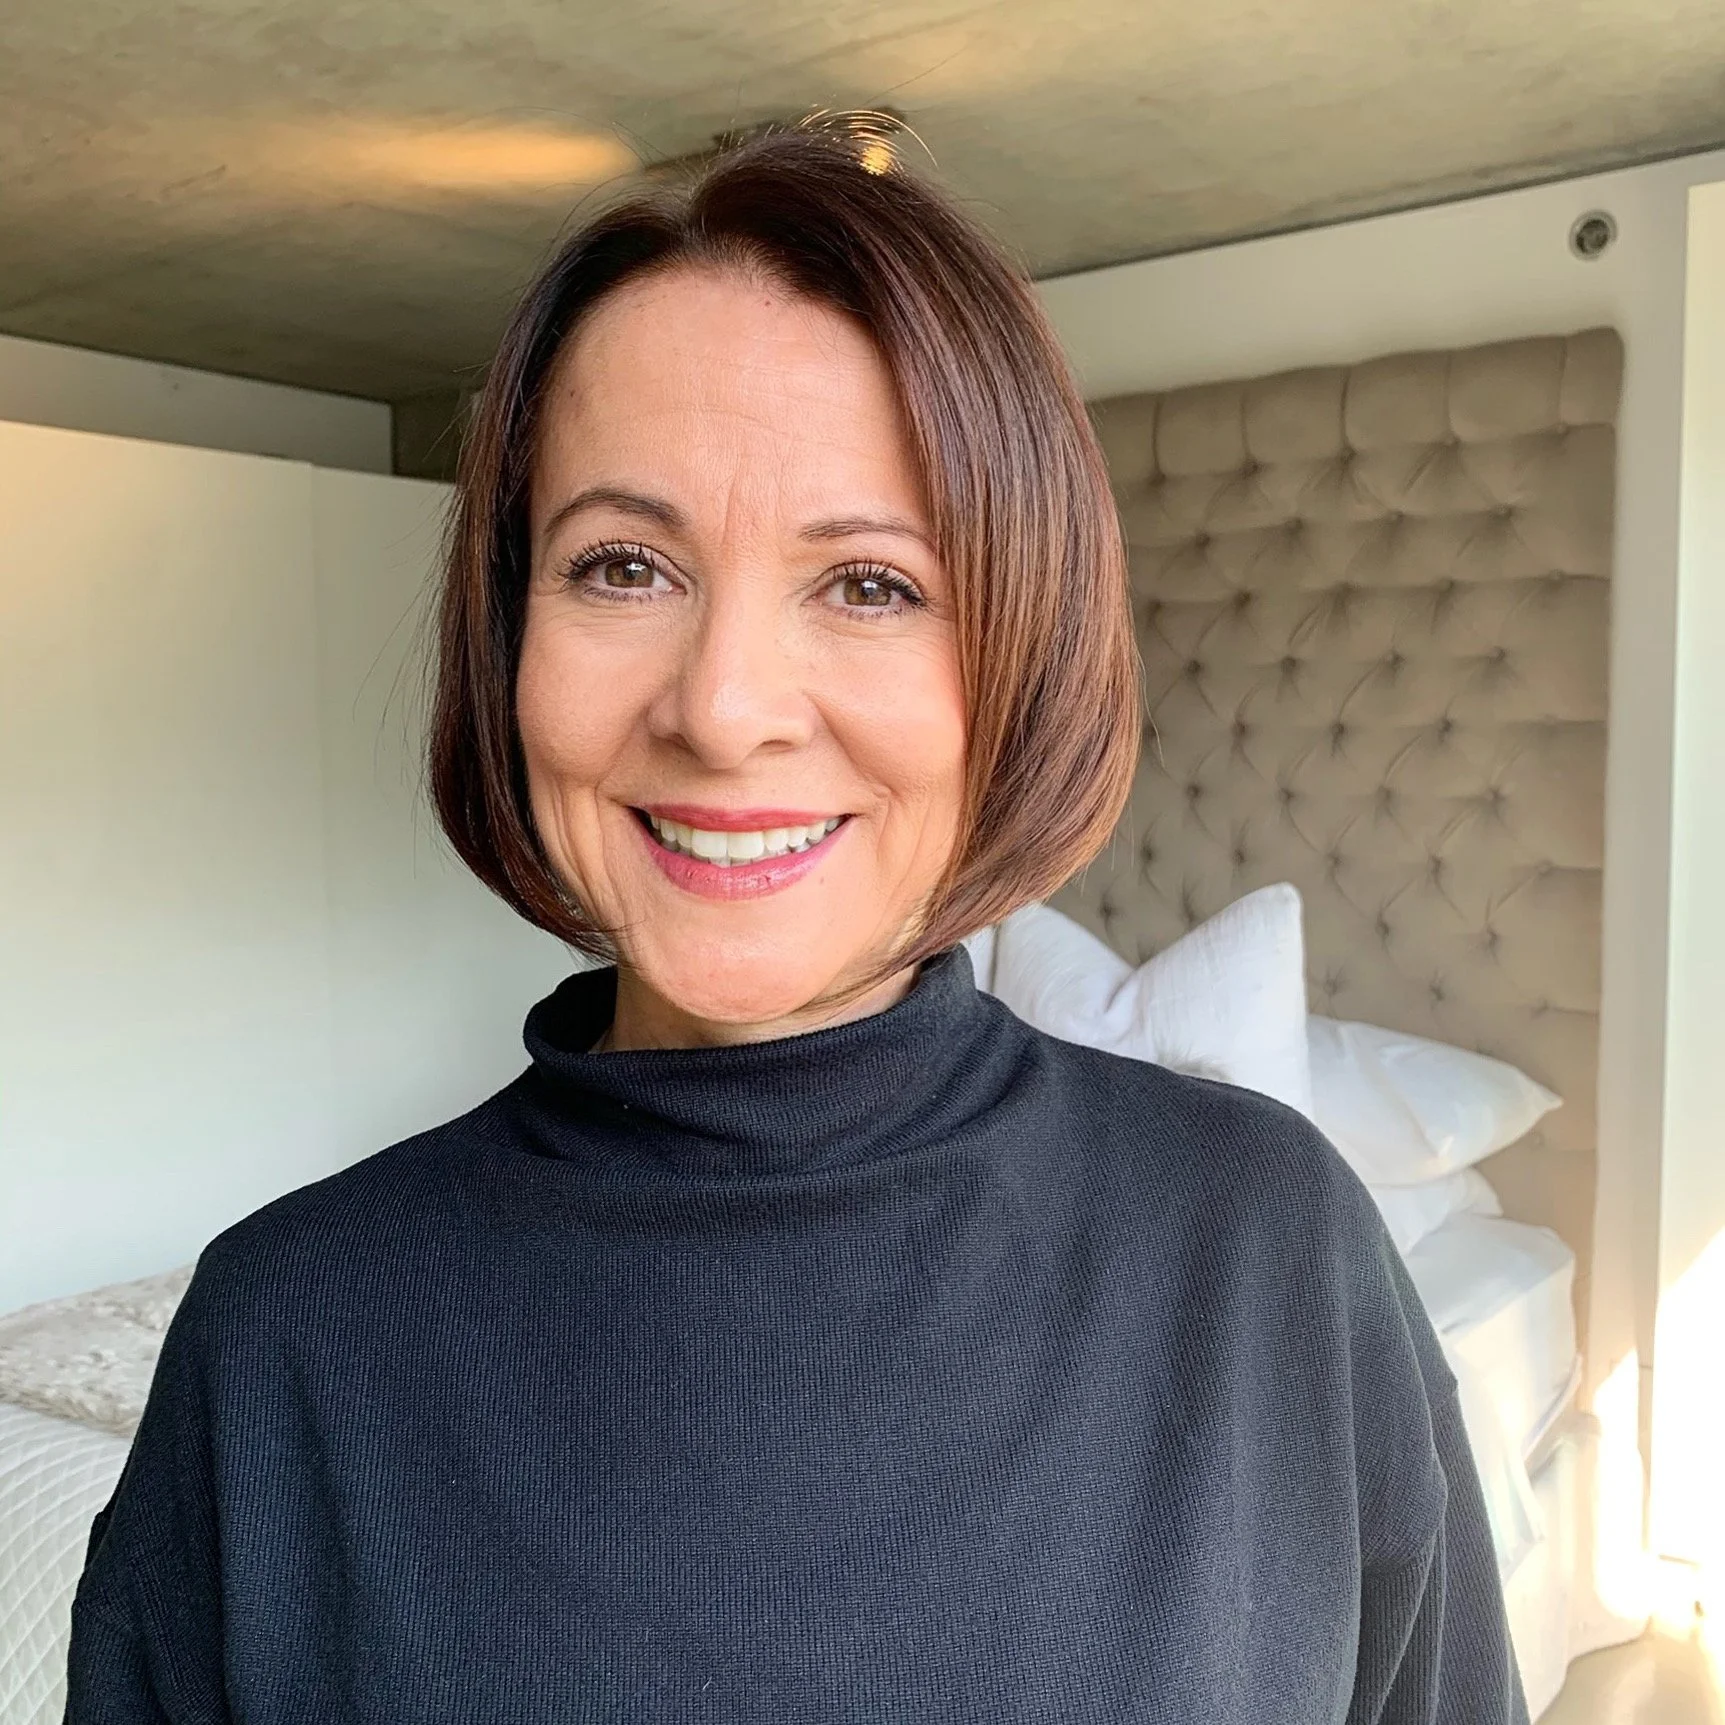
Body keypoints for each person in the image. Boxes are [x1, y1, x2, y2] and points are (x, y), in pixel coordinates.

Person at [63, 114, 1528, 1723]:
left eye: (872, 584)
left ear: (1016, 667)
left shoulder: (1264, 1256)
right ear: (507, 641)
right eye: (622, 567)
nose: (726, 707)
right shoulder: (288, 1332)